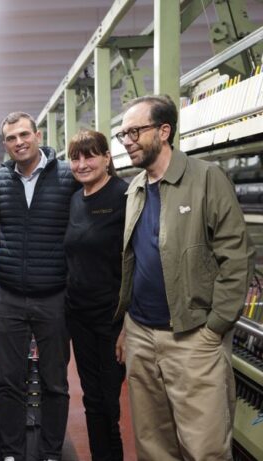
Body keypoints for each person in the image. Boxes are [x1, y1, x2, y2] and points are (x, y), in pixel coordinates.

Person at [114, 94, 254, 460]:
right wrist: (128, 324)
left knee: (204, 447)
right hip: (142, 334)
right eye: (123, 134)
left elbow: (237, 257)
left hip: (193, 337)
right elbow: (135, 261)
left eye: (134, 132)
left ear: (164, 131)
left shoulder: (206, 178)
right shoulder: (136, 188)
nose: (127, 141)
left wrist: (215, 326)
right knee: (153, 444)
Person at [0, 112, 78, 461]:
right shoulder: (0, 179)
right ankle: (11, 452)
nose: (19, 142)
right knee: (9, 381)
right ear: (5, 144)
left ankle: (50, 452)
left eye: (24, 134)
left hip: (54, 297)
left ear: (37, 135)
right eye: (11, 138)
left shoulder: (68, 175)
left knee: (54, 382)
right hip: (10, 296)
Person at [63, 130, 127, 461]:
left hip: (112, 319)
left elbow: (140, 261)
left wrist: (128, 326)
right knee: (91, 398)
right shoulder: (75, 199)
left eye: (90, 156)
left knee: (108, 401)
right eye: (75, 158)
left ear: (107, 158)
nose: (82, 164)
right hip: (80, 317)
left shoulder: (125, 196)